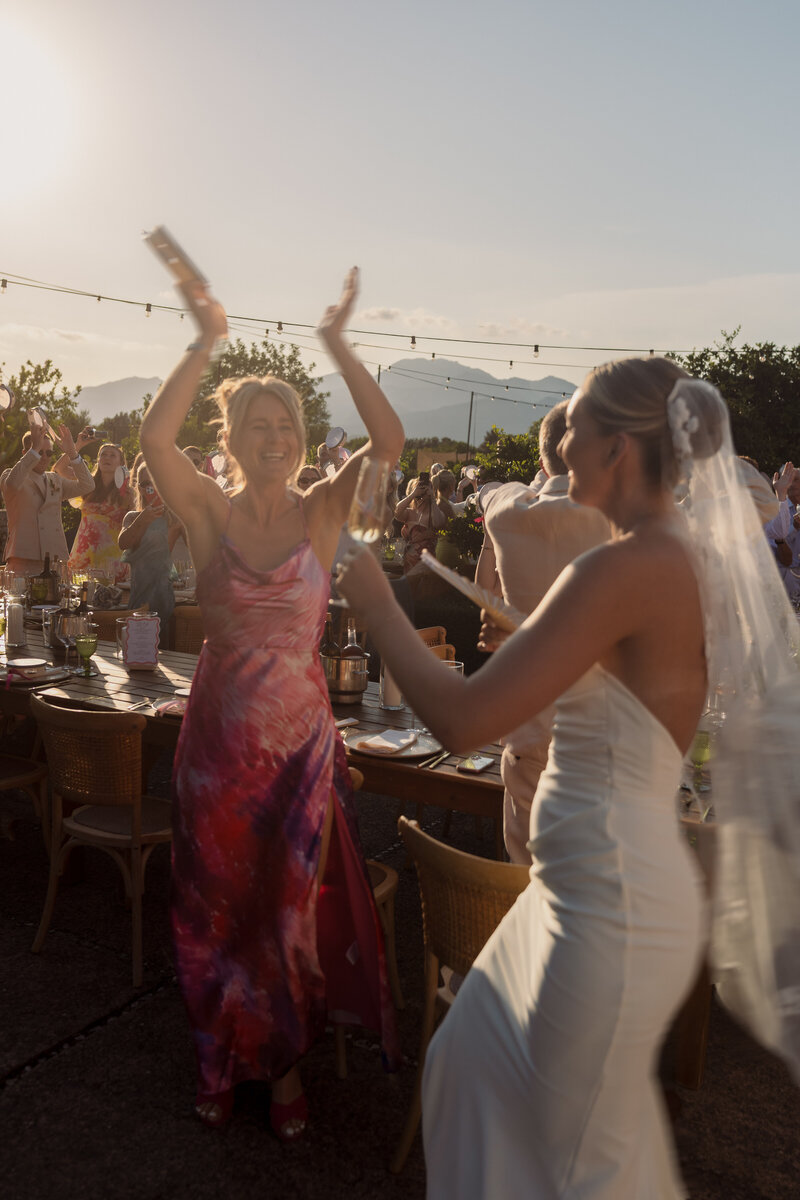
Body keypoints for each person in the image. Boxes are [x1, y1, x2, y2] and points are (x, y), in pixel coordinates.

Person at [337, 356, 798, 1197]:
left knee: (573, 1159)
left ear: (620, 446)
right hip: (580, 883)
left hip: (610, 900)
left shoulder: (621, 571)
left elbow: (467, 718)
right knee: (470, 1066)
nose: (561, 440)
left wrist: (376, 604)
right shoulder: (660, 559)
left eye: (576, 422)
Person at [138, 266, 403, 1139]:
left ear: (302, 435)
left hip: (297, 751)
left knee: (285, 916)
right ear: (234, 436)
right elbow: (153, 437)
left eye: (287, 423)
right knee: (213, 906)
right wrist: (205, 340)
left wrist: (336, 345)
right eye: (257, 423)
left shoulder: (326, 511)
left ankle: (282, 1069)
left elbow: (390, 438)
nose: (275, 435)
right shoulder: (207, 514)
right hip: (216, 747)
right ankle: (217, 1060)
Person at [475, 400, 611, 863]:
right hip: (599, 745)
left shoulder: (506, 510)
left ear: (541, 459)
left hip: (527, 734)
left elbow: (486, 491)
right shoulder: (622, 517)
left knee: (525, 890)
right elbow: (760, 500)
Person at [118, 456, 181, 633]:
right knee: (139, 647)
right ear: (140, 488)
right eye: (147, 483)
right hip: (139, 592)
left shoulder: (176, 518)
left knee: (165, 649)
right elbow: (123, 543)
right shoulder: (132, 517)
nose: (152, 487)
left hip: (164, 592)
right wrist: (143, 519)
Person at [66, 439, 133, 582]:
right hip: (83, 557)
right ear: (98, 460)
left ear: (121, 463)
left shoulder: (127, 492)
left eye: (112, 455)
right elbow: (59, 469)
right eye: (103, 454)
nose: (107, 457)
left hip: (112, 561)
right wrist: (76, 446)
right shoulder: (87, 485)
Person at [394, 474, 452, 573]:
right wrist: (413, 494)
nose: (423, 490)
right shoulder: (409, 512)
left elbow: (438, 523)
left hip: (426, 567)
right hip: (408, 564)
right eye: (420, 487)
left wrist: (432, 498)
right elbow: (396, 512)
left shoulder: (435, 513)